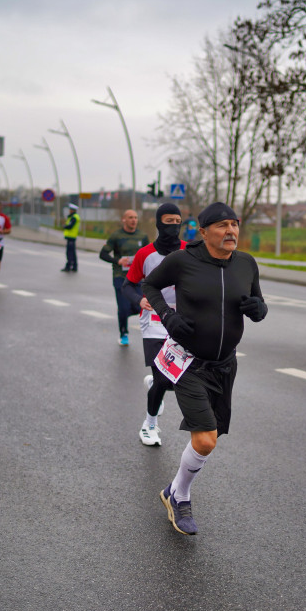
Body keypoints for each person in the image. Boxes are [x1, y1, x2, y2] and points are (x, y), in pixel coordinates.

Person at [142, 202, 267, 535]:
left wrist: (259, 309)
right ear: (205, 230)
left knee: (211, 437)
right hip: (188, 363)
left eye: (235, 225)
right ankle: (179, 495)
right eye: (223, 225)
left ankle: (172, 491)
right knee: (206, 439)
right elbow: (150, 286)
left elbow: (257, 303)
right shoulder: (183, 261)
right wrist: (167, 316)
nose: (231, 231)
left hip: (225, 365)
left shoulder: (246, 263)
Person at [123, 203, 186, 446]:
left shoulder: (190, 251)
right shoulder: (145, 254)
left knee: (175, 380)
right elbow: (127, 285)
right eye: (168, 222)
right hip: (154, 321)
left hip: (181, 321)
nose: (174, 227)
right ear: (159, 224)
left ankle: (154, 385)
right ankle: (149, 424)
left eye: (177, 222)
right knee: (162, 379)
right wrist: (140, 300)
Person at [99, 209, 149, 346]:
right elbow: (103, 254)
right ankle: (123, 333)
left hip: (138, 278)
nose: (134, 220)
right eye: (131, 217)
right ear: (124, 219)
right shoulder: (116, 236)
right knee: (123, 307)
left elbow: (148, 255)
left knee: (141, 307)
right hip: (120, 277)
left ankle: (123, 311)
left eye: (136, 217)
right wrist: (118, 261)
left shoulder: (142, 236)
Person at [61, 203, 80, 272]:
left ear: (73, 210)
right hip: (71, 237)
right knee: (73, 253)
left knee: (69, 253)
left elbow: (70, 226)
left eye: (70, 210)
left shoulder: (74, 217)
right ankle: (74, 267)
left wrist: (64, 226)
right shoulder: (73, 217)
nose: (69, 211)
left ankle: (68, 266)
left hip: (71, 237)